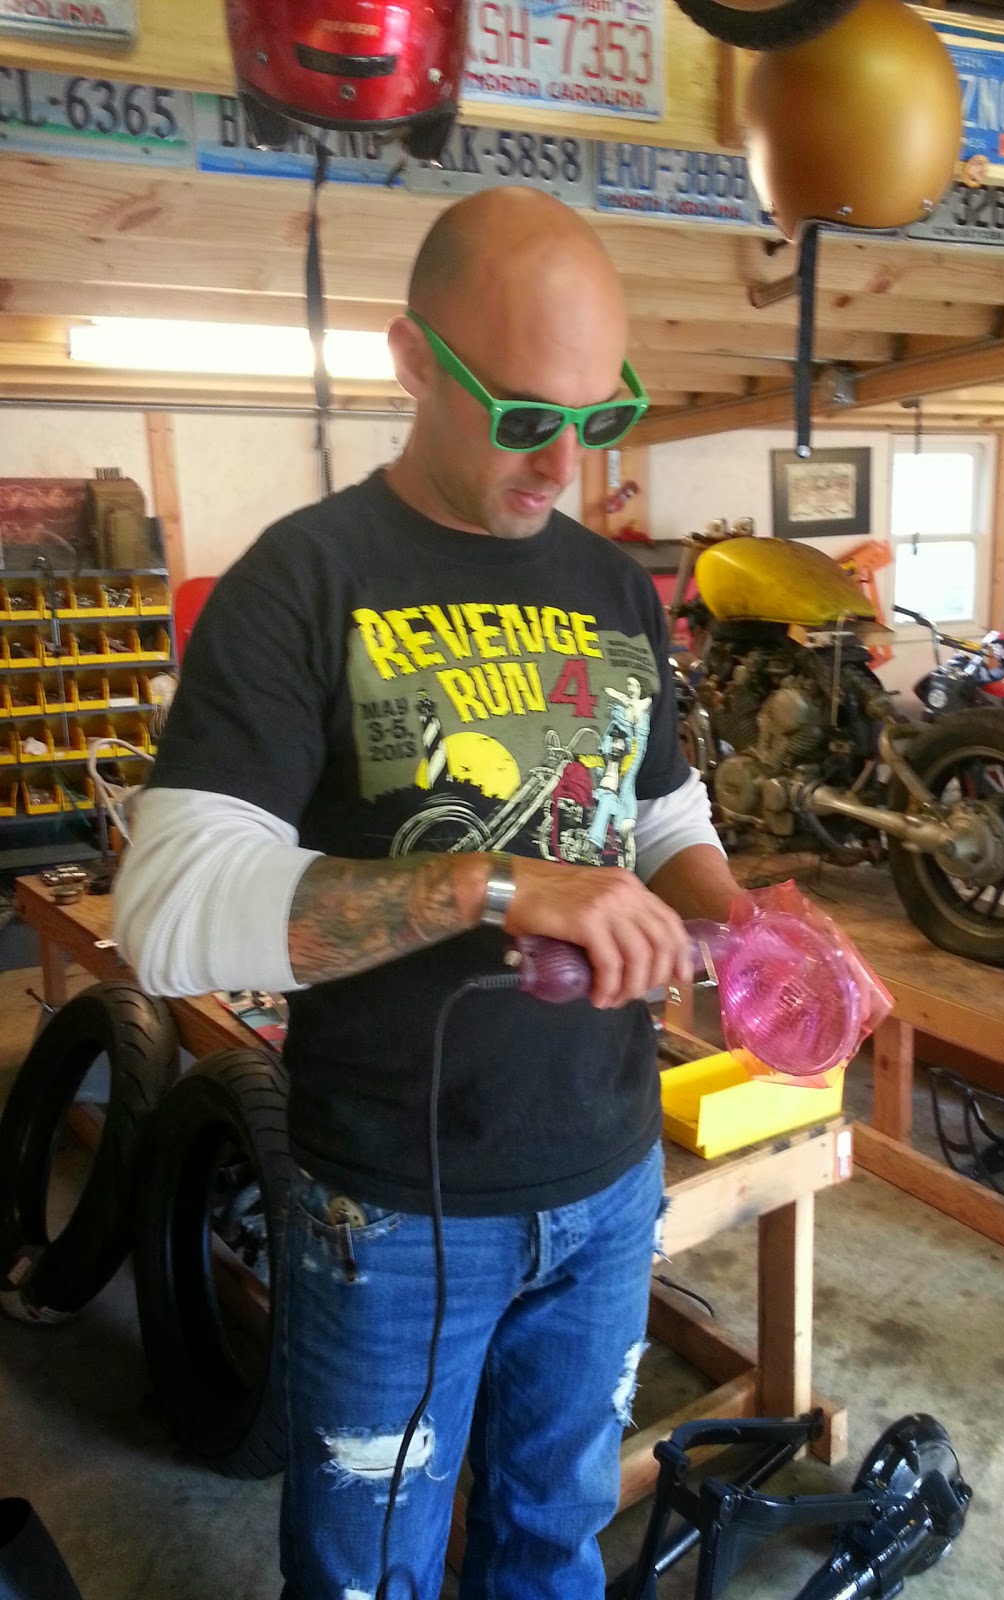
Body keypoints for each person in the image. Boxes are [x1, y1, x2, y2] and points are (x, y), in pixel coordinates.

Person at [114, 186, 742, 1600]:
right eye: (525, 416)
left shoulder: (615, 588)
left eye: (599, 415)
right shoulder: (304, 581)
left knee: (552, 1543)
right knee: (371, 1575)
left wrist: (736, 917)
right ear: (412, 360)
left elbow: (658, 809)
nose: (565, 462)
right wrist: (490, 885)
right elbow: (163, 913)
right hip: (397, 1206)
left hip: (608, 1176)